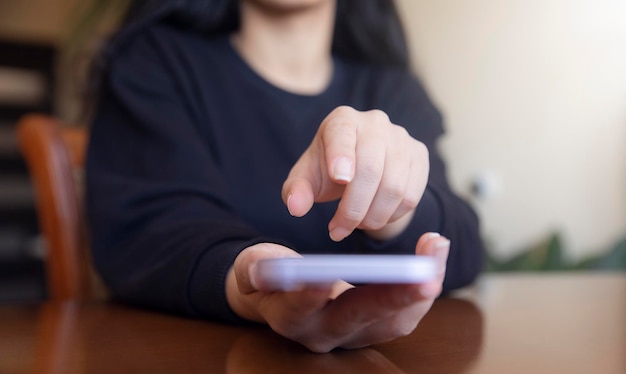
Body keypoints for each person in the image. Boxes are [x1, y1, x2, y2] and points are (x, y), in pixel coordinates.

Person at [86, 0, 483, 352]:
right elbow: (146, 232)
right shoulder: (155, 61)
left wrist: (397, 208)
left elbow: (462, 245)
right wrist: (249, 288)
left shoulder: (392, 89)